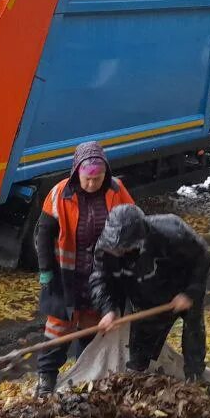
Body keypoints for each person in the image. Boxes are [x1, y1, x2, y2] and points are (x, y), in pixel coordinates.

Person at [33, 141, 135, 396]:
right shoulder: (60, 194)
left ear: (106, 174)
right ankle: (46, 378)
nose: (92, 184)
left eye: (98, 178)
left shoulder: (116, 191)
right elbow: (43, 234)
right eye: (88, 179)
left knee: (91, 328)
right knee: (58, 329)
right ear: (77, 172)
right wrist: (46, 270)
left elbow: (134, 223)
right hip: (67, 276)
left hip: (102, 276)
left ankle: (83, 372)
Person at [89, 204, 210, 381]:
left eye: (125, 247)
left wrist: (190, 293)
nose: (119, 251)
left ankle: (195, 375)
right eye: (116, 248)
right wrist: (108, 308)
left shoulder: (171, 231)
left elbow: (203, 257)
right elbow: (99, 278)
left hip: (181, 289)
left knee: (193, 331)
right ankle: (137, 377)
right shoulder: (106, 248)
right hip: (145, 298)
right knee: (140, 346)